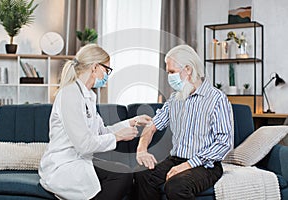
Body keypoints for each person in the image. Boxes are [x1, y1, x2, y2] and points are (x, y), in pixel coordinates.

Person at [39, 44, 152, 200]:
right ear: (95, 67)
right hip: (63, 164)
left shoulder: (88, 96)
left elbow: (101, 131)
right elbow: (84, 145)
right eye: (107, 70)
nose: (107, 75)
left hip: (79, 160)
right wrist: (118, 137)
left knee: (122, 172)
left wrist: (130, 122)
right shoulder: (70, 94)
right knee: (120, 176)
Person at [134, 44, 233, 200]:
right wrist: (142, 148)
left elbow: (224, 142)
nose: (169, 77)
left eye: (172, 72)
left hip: (206, 165)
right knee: (143, 175)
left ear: (188, 69)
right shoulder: (175, 98)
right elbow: (152, 125)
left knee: (175, 186)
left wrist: (188, 165)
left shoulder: (217, 99)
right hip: (176, 159)